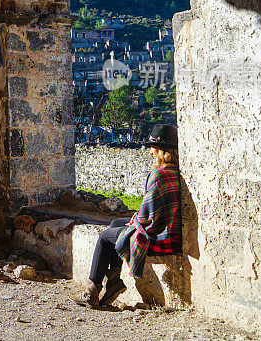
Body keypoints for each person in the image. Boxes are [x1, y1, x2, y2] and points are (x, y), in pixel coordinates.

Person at [72, 124, 182, 307]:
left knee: (104, 237)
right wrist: (136, 218)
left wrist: (136, 220)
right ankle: (113, 282)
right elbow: (154, 210)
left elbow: (150, 218)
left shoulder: (158, 174)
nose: (150, 152)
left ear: (161, 150)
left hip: (160, 237)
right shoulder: (175, 172)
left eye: (153, 148)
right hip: (173, 233)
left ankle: (91, 292)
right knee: (116, 222)